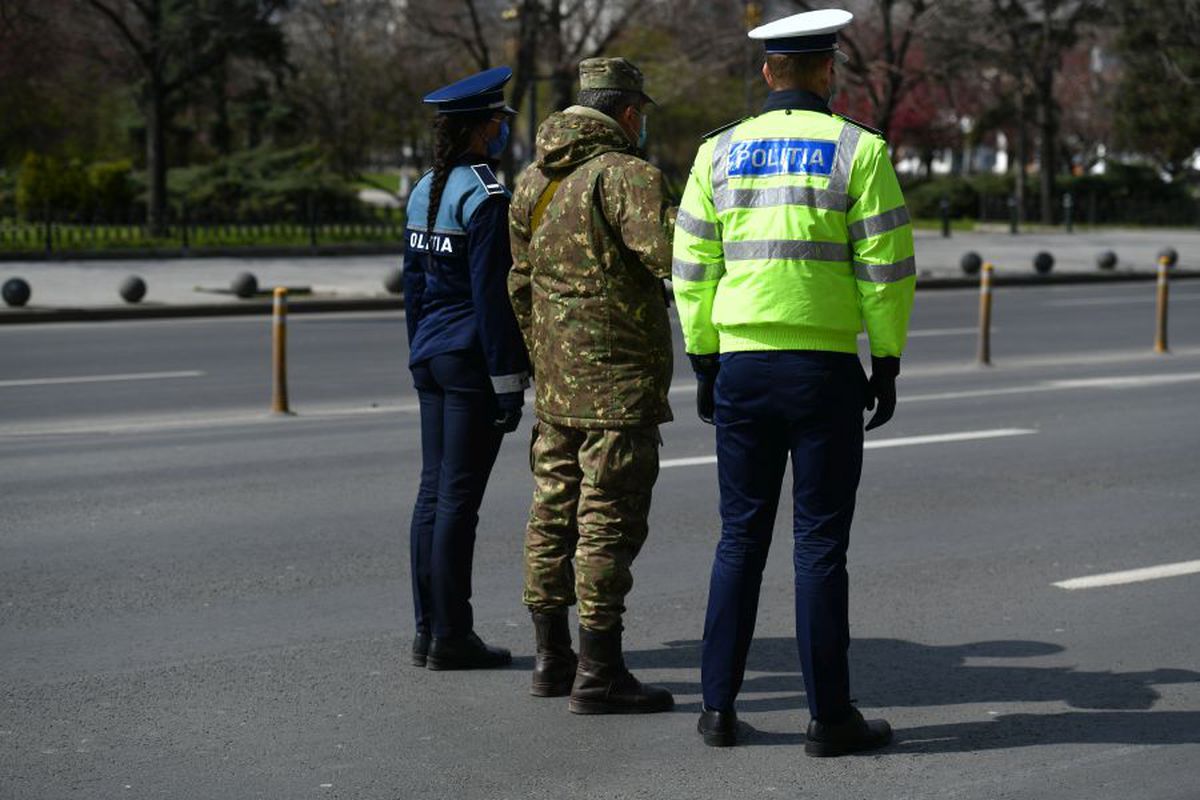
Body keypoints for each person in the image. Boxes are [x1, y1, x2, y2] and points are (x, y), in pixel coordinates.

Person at [672, 9, 916, 752]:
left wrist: (704, 360)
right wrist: (889, 360)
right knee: (818, 546)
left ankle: (716, 710)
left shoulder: (716, 152)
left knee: (738, 539)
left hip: (742, 367)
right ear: (827, 71)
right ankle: (829, 718)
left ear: (769, 72)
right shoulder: (859, 151)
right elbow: (887, 270)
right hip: (823, 373)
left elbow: (690, 268)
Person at [507, 57, 676, 714]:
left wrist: (548, 353)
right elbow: (670, 257)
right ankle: (599, 671)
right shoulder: (626, 176)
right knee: (606, 521)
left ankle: (552, 660)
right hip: (617, 386)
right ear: (628, 114)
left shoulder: (531, 181)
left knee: (551, 515)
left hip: (555, 385)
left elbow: (519, 285)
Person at [404, 67, 530, 671]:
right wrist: (509, 384)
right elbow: (494, 297)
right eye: (500, 123)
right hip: (468, 359)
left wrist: (417, 349)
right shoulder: (485, 194)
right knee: (457, 500)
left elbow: (413, 286)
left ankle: (428, 629)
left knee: (432, 494)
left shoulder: (425, 186)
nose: (503, 132)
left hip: (431, 352)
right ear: (483, 129)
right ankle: (453, 636)